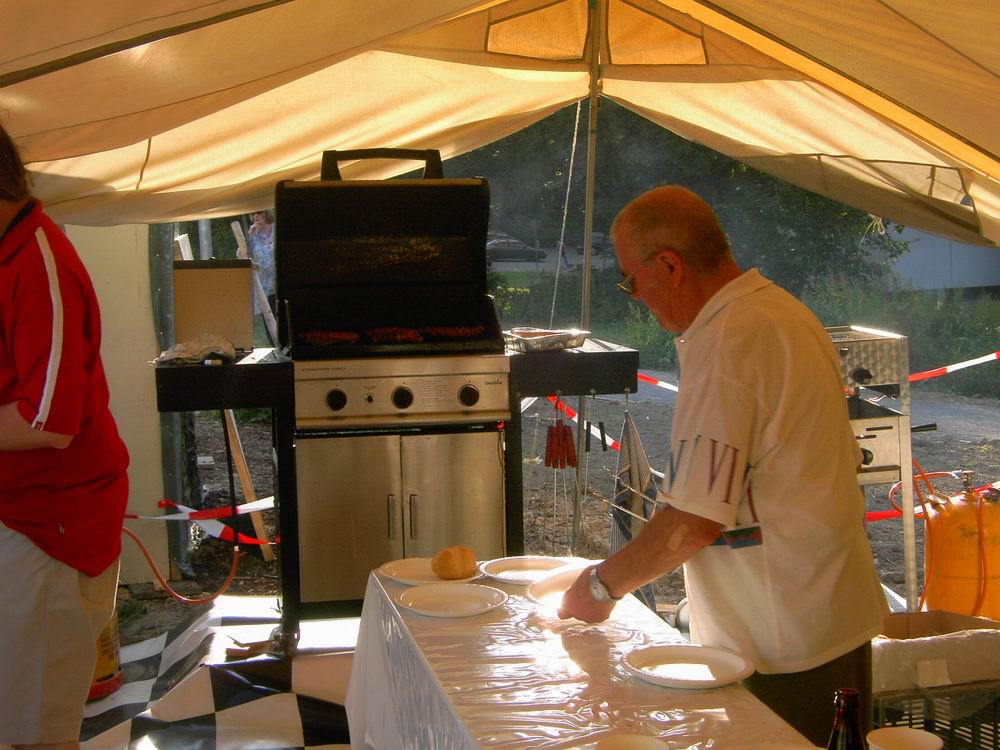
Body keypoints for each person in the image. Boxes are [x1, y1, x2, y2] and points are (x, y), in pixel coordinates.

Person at [558, 186, 888, 745]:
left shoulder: (731, 339)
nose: (635, 297)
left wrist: (598, 588)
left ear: (670, 266)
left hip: (783, 644)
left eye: (632, 281)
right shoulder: (777, 310)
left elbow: (692, 522)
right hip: (815, 614)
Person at [0, 123, 129, 750]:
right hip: (19, 512)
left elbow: (48, 420)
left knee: (35, 730)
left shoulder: (37, 259)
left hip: (50, 527)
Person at [247, 209, 276, 314]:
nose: (255, 216)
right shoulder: (253, 235)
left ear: (267, 213)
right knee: (270, 320)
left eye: (259, 212)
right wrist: (249, 235)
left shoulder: (277, 229)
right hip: (264, 287)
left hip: (279, 284)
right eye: (252, 213)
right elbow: (242, 254)